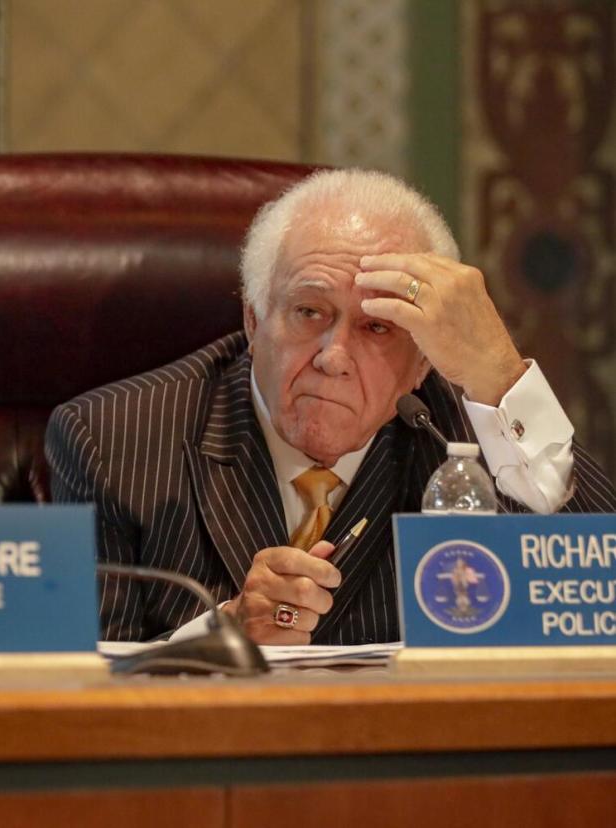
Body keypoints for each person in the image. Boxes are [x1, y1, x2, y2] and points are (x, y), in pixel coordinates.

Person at [47, 168, 616, 645]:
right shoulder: (114, 440)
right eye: (309, 312)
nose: (334, 357)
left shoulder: (468, 431)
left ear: (423, 360)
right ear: (253, 319)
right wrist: (224, 634)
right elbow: (80, 698)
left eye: (376, 326)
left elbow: (597, 599)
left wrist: (501, 375)